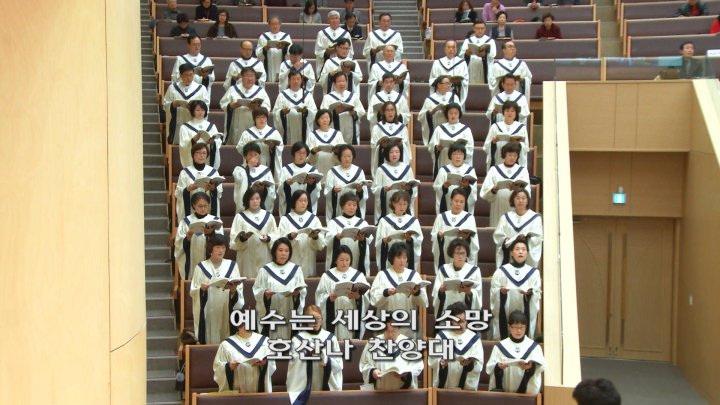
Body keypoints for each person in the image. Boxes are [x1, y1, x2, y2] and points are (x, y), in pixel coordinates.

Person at [190, 234, 244, 344]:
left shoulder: (232, 265)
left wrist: (233, 291)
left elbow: (240, 291)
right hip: (209, 309)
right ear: (211, 249)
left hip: (226, 308)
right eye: (218, 247)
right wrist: (202, 290)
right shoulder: (201, 267)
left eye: (223, 247)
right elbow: (193, 291)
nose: (221, 250)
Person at [369, 243, 429, 338]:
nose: (402, 261)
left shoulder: (414, 275)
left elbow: (424, 302)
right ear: (392, 258)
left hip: (408, 321)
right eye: (399, 257)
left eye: (404, 258)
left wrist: (417, 293)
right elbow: (374, 300)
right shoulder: (382, 275)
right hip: (387, 322)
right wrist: (386, 293)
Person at [253, 238, 308, 339]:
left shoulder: (296, 270)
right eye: (280, 250)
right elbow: (257, 290)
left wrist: (297, 294)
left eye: (287, 251)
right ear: (274, 251)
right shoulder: (265, 270)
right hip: (272, 311)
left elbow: (303, 291)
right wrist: (265, 294)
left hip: (290, 309)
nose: (284, 253)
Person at [490, 237, 541, 340]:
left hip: (525, 308)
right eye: (517, 249)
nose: (520, 252)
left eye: (524, 249)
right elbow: (494, 292)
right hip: (506, 310)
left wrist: (530, 294)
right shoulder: (501, 272)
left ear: (527, 253)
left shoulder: (534, 273)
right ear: (511, 253)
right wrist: (501, 293)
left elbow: (537, 293)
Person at [316, 246, 371, 339]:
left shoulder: (358, 275)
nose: (344, 263)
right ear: (335, 260)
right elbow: (319, 295)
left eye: (347, 260)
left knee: (351, 341)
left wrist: (358, 297)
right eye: (341, 260)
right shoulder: (327, 276)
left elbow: (366, 295)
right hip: (334, 313)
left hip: (352, 312)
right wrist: (329, 299)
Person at [287, 305, 344, 394]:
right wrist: (309, 355)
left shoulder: (331, 338)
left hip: (328, 387)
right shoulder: (297, 340)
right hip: (304, 387)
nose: (316, 321)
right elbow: (293, 365)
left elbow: (339, 364)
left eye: (318, 318)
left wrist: (327, 360)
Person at [486, 310, 545, 394]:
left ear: (526, 327)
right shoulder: (500, 346)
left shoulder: (534, 347)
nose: (519, 331)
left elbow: (541, 367)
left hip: (527, 395)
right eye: (516, 327)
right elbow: (489, 368)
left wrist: (530, 367)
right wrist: (498, 366)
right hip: (504, 394)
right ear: (509, 327)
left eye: (522, 327)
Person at [429, 302, 484, 390]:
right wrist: (441, 362)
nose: (460, 325)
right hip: (444, 389)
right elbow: (432, 361)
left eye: (463, 321)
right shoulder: (441, 336)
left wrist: (470, 364)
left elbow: (479, 365)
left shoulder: (474, 339)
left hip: (466, 391)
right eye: (457, 321)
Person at [359, 316, 424, 389]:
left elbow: (417, 365)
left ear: (398, 329)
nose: (390, 335)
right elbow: (364, 364)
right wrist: (372, 371)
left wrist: (406, 373)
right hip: (379, 390)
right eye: (387, 331)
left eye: (393, 331)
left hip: (403, 392)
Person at [212, 319, 275, 392]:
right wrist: (229, 366)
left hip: (259, 394)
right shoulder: (226, 345)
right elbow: (218, 369)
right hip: (236, 395)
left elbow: (272, 365)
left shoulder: (265, 342)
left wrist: (265, 363)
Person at [229, 187, 277, 278]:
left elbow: (275, 236)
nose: (255, 201)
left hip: (264, 255)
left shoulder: (268, 216)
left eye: (257, 198)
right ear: (247, 200)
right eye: (252, 199)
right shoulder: (240, 217)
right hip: (247, 257)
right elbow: (233, 242)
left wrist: (268, 239)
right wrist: (243, 238)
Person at [175, 193, 224, 280]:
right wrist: (188, 236)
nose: (203, 209)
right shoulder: (185, 222)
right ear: (194, 205)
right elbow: (179, 245)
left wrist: (211, 234)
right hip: (192, 259)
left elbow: (221, 242)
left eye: (205, 206)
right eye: (200, 206)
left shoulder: (215, 220)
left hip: (210, 259)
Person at [480, 143, 531, 227]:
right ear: (504, 155)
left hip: (515, 206)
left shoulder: (522, 171)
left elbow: (527, 192)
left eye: (514, 155)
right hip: (498, 205)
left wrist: (518, 189)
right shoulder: (494, 170)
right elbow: (484, 192)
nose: (512, 158)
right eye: (510, 155)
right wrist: (494, 190)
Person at [278, 190, 327, 278]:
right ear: (294, 201)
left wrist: (315, 237)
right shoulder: (285, 219)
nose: (303, 203)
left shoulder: (314, 219)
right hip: (292, 257)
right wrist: (290, 236)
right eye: (300, 200)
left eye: (305, 200)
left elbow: (321, 245)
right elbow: (279, 241)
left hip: (308, 258)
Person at [220, 66, 272, 145]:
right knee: (238, 144)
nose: (250, 78)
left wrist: (258, 108)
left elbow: (267, 107)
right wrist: (231, 106)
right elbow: (222, 103)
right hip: (237, 123)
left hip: (253, 122)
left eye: (252, 76)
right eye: (247, 76)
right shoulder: (233, 89)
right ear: (241, 77)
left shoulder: (260, 91)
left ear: (255, 78)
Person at [432, 240, 483, 317]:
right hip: (447, 309)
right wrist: (441, 291)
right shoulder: (443, 269)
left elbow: (478, 292)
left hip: (465, 312)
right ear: (452, 254)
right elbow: (436, 290)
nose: (460, 256)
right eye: (457, 253)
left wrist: (469, 292)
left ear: (467, 254)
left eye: (463, 253)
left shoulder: (474, 270)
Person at [325, 193, 374, 274]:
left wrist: (363, 240)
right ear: (342, 206)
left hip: (357, 254)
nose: (352, 208)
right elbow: (327, 240)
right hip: (341, 257)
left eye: (354, 205)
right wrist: (336, 237)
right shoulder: (333, 222)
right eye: (349, 205)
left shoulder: (363, 223)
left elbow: (369, 240)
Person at [493, 188, 542, 268]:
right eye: (517, 198)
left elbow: (537, 239)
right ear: (513, 200)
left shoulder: (535, 218)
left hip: (527, 257)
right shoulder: (505, 218)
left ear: (527, 200)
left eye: (523, 198)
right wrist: (507, 241)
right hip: (509, 255)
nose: (520, 201)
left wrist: (526, 240)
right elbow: (498, 236)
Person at [431, 188, 479, 269]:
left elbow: (474, 242)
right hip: (445, 252)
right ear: (451, 200)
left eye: (461, 202)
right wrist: (439, 236)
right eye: (456, 201)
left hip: (461, 254)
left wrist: (467, 238)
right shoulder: (441, 217)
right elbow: (433, 236)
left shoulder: (469, 218)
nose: (458, 204)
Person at [375, 191, 423, 272]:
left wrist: (410, 240)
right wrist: (384, 241)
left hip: (406, 258)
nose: (402, 207)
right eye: (399, 204)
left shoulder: (413, 221)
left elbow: (419, 240)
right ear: (393, 203)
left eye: (405, 204)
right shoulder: (384, 221)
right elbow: (378, 242)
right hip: (389, 257)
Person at [372, 140, 418, 224]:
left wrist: (409, 189)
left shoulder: (407, 169)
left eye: (397, 152)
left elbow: (414, 190)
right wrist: (382, 189)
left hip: (402, 204)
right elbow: (374, 189)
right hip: (387, 205)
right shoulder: (381, 169)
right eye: (391, 152)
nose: (394, 154)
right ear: (387, 153)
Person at [175, 143, 224, 221]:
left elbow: (219, 194)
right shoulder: (185, 173)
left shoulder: (213, 172)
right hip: (191, 210)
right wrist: (188, 189)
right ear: (193, 155)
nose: (201, 155)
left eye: (204, 153)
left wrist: (213, 189)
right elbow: (178, 193)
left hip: (208, 209)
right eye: (198, 153)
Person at [164, 62, 210, 144]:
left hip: (194, 123)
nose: (189, 78)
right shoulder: (172, 88)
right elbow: (165, 105)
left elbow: (206, 106)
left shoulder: (201, 89)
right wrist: (174, 104)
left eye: (191, 75)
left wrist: (195, 106)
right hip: (177, 122)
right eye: (186, 75)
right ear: (181, 75)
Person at [428, 103, 474, 179]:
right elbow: (431, 146)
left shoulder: (466, 130)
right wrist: (437, 148)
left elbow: (470, 148)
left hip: (459, 161)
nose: (453, 115)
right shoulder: (439, 129)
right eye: (451, 113)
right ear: (447, 114)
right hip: (444, 159)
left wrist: (458, 148)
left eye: (456, 113)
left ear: (459, 114)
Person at [237, 107, 283, 181]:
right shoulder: (247, 133)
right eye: (258, 117)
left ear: (267, 118)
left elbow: (280, 147)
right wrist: (248, 145)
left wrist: (272, 147)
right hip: (252, 162)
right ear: (254, 119)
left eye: (263, 117)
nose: (261, 119)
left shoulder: (274, 133)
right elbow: (239, 148)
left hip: (268, 159)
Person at [325, 144, 369, 219]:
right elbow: (327, 192)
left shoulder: (359, 171)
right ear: (340, 157)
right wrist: (333, 191)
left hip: (354, 208)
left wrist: (359, 191)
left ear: (353, 157)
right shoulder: (332, 172)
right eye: (344, 156)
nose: (347, 159)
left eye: (349, 156)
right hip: (338, 208)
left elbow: (364, 194)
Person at [273, 70, 318, 145]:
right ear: (289, 81)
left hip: (303, 127)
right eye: (293, 79)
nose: (296, 81)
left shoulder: (307, 95)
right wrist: (282, 112)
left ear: (301, 81)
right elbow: (275, 113)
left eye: (298, 79)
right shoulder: (282, 95)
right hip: (288, 127)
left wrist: (306, 111)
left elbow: (314, 112)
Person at [433, 142, 478, 215]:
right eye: (454, 154)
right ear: (450, 155)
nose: (458, 157)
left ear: (464, 156)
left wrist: (467, 187)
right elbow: (437, 188)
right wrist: (444, 187)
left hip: (463, 205)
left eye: (461, 154)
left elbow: (474, 191)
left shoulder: (470, 170)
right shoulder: (443, 170)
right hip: (447, 204)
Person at [320, 72, 365, 145]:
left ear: (346, 82)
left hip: (351, 130)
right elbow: (322, 115)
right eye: (339, 81)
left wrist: (354, 113)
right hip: (334, 129)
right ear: (334, 83)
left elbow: (361, 111)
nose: (341, 84)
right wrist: (334, 112)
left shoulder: (353, 96)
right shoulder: (328, 98)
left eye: (343, 81)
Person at [279, 142, 323, 216]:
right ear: (294, 154)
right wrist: (286, 184)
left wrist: (311, 185)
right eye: (298, 152)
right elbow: (280, 191)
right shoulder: (285, 170)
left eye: (304, 153)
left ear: (307, 154)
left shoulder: (313, 170)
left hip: (306, 207)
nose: (301, 155)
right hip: (290, 208)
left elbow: (317, 192)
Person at [483, 100, 529, 171]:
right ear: (503, 112)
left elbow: (526, 148)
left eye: (512, 111)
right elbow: (486, 147)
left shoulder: (521, 128)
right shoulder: (495, 127)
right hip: (498, 160)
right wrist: (493, 142)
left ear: (516, 113)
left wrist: (518, 144)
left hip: (515, 162)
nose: (510, 113)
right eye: (507, 111)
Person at [232, 142, 277, 213]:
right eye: (250, 155)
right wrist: (249, 166)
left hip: (262, 205)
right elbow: (240, 182)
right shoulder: (239, 169)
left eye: (256, 154)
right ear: (245, 156)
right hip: (245, 209)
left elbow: (271, 192)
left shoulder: (265, 170)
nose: (253, 157)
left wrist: (264, 189)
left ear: (259, 155)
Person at [370, 101, 411, 176]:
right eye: (387, 110)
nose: (390, 113)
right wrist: (381, 145)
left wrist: (400, 144)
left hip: (397, 156)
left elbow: (406, 145)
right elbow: (373, 145)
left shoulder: (402, 127)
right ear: (383, 112)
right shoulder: (377, 127)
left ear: (395, 112)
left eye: (392, 110)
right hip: (383, 158)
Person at [178, 100, 222, 170]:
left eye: (202, 110)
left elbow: (218, 142)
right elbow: (183, 145)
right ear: (192, 111)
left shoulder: (211, 126)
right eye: (197, 110)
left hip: (208, 157)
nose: (200, 112)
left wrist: (212, 142)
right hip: (193, 159)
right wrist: (193, 140)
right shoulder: (185, 127)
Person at [418, 76, 460, 146]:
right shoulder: (430, 99)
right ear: (439, 85)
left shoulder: (454, 97)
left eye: (449, 84)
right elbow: (421, 116)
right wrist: (432, 112)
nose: (449, 86)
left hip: (450, 127)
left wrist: (448, 112)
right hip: (435, 127)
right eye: (446, 83)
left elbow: (459, 112)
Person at [307, 109, 347, 177]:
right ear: (317, 120)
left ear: (330, 119)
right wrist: (313, 151)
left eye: (327, 117)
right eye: (322, 118)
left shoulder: (337, 134)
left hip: (334, 165)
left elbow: (343, 152)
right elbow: (308, 157)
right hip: (317, 165)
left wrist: (337, 152)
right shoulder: (312, 135)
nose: (325, 120)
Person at [429, 41, 469, 107]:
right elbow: (432, 79)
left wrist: (458, 81)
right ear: (445, 49)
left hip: (455, 92)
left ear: (456, 50)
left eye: (453, 47)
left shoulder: (462, 63)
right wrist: (441, 81)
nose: (451, 49)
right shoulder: (437, 63)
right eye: (449, 47)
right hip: (440, 93)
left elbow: (465, 80)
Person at [257, 17, 292, 82]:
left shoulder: (286, 37)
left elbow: (291, 52)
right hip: (268, 65)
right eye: (272, 24)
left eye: (276, 24)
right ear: (269, 25)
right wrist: (264, 50)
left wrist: (284, 48)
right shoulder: (263, 37)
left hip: (281, 63)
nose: (275, 26)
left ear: (280, 25)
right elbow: (258, 53)